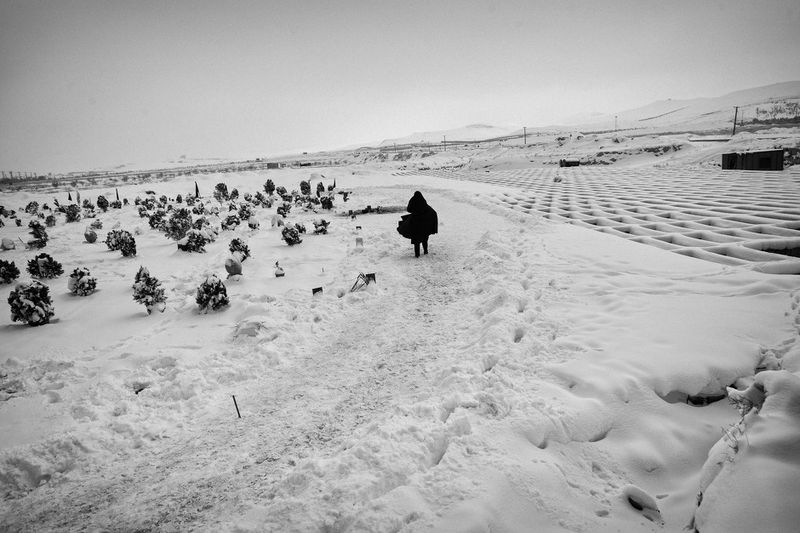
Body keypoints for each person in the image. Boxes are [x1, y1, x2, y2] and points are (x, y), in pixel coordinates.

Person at [405, 191, 438, 257]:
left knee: (416, 240)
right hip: (424, 224)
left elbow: (408, 209)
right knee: (424, 238)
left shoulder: (412, 200)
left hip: (415, 223)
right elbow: (432, 211)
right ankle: (425, 251)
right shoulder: (423, 201)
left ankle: (417, 255)